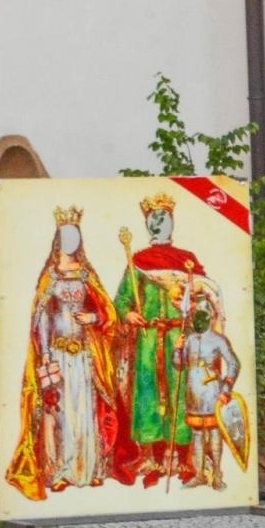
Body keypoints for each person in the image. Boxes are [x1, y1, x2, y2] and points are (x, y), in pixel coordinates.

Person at [5, 207, 123, 499]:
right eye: (66, 236)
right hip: (57, 356)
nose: (71, 241)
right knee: (58, 413)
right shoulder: (50, 276)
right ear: (57, 239)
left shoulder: (86, 275)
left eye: (75, 236)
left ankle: (91, 468)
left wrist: (93, 320)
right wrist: (44, 353)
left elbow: (108, 313)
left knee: (86, 411)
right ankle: (60, 471)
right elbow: (42, 318)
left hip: (83, 355)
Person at [112, 192, 218, 486]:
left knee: (179, 392)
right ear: (147, 225)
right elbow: (121, 300)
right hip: (147, 339)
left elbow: (203, 296)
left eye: (165, 219)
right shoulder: (138, 261)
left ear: (173, 223)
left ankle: (176, 454)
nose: (160, 225)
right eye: (154, 220)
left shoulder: (187, 261)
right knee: (146, 393)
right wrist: (128, 314)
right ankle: (148, 454)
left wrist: (197, 308)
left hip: (178, 337)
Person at [176, 300, 242, 489]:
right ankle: (199, 474)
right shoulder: (189, 339)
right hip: (193, 392)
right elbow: (178, 365)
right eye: (196, 315)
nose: (198, 319)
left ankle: (217, 475)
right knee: (197, 434)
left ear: (209, 317)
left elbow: (233, 363)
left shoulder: (219, 340)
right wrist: (178, 348)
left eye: (202, 315)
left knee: (214, 433)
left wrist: (226, 389)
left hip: (212, 391)